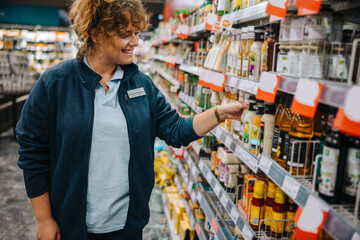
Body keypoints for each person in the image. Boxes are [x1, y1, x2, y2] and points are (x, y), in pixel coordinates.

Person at [16, 0, 247, 239]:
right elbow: (33, 154)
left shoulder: (141, 85)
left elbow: (177, 130)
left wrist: (220, 113)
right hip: (70, 226)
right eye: (126, 34)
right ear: (95, 33)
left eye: (136, 33)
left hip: (127, 228)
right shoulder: (55, 84)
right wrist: (44, 219)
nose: (136, 41)